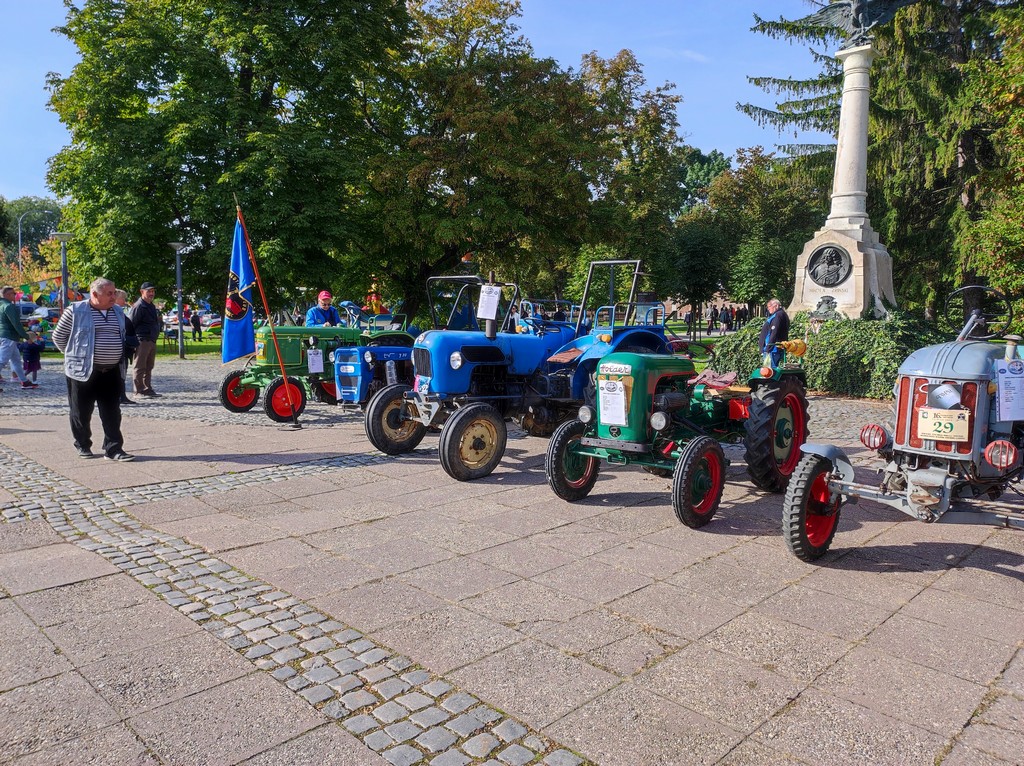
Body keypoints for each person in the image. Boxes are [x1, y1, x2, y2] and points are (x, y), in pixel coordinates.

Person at [51, 278, 134, 461]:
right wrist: (76, 356)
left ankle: (113, 449)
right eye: (109, 293)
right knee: (81, 411)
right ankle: (83, 444)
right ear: (95, 294)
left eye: (114, 293)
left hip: (111, 370)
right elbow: (58, 337)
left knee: (112, 412)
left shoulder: (117, 311)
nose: (114, 297)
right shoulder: (75, 310)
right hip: (83, 371)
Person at [0, 286, 39, 389]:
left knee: (16, 360)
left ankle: (24, 381)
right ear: (7, 295)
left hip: (5, 336)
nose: (15, 295)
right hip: (9, 336)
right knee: (2, 360)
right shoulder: (9, 306)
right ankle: (24, 381)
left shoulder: (2, 305)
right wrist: (26, 336)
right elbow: (16, 324)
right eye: (13, 293)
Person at [128, 282, 161, 397]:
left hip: (151, 339)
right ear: (142, 292)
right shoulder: (139, 306)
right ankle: (139, 390)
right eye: (149, 291)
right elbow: (131, 324)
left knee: (149, 366)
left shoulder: (151, 306)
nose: (151, 293)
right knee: (140, 366)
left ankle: (147, 388)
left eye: (153, 291)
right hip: (142, 340)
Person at [114, 289, 139, 405]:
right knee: (119, 373)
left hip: (125, 348)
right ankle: (120, 395)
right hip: (120, 348)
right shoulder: (115, 314)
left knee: (122, 373)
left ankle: (121, 395)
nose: (125, 301)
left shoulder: (119, 313)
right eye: (123, 298)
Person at [759, 298, 791, 368]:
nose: (768, 308)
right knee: (771, 369)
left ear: (776, 305)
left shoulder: (778, 315)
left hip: (773, 350)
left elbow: (774, 332)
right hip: (775, 348)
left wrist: (768, 348)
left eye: (769, 306)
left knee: (770, 371)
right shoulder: (781, 314)